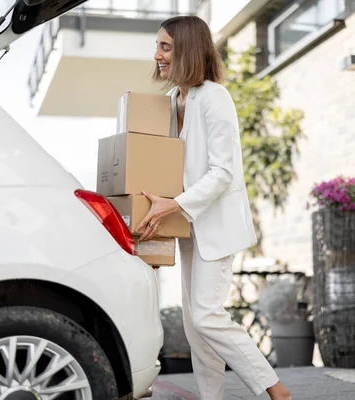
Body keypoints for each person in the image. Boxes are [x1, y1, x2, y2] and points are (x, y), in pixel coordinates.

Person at [133, 15, 293, 400]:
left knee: (207, 315)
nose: (157, 55)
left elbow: (223, 172)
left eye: (165, 47)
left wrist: (176, 204)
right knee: (194, 325)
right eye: (158, 46)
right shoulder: (174, 100)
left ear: (187, 49)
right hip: (186, 225)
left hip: (215, 224)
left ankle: (275, 388)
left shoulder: (214, 97)